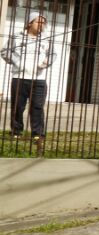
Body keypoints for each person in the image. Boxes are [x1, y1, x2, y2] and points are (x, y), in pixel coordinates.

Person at [2, 12, 54, 150]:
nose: (42, 25)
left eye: (44, 23)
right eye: (39, 22)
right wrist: (17, 63)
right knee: (18, 107)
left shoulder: (46, 39)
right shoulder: (17, 37)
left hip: (39, 79)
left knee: (37, 107)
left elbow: (52, 54)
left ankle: (37, 135)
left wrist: (46, 62)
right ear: (30, 23)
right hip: (19, 77)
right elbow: (5, 52)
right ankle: (16, 132)